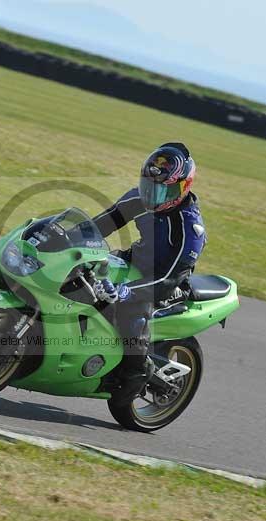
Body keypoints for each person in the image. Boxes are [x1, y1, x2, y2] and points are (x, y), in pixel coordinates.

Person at [91, 142, 207, 404]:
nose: (153, 196)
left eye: (162, 190)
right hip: (133, 264)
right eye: (149, 187)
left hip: (166, 284)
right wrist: (67, 236)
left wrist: (127, 291)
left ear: (183, 187)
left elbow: (169, 279)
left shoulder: (190, 229)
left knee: (132, 315)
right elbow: (101, 224)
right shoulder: (139, 198)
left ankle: (134, 374)